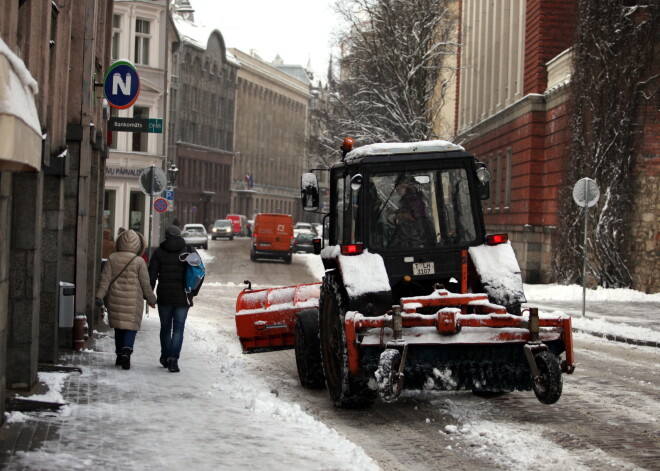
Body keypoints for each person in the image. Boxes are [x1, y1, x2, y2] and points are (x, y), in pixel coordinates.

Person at [95, 229, 156, 370]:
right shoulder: (139, 261)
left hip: (115, 299)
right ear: (138, 245)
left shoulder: (112, 258)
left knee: (119, 328)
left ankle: (118, 355)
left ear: (120, 242)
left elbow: (105, 279)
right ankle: (126, 352)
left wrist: (99, 296)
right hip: (134, 302)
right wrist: (152, 299)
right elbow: (145, 284)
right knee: (130, 327)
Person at [148, 225, 203, 373]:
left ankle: (165, 356)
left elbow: (151, 276)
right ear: (179, 235)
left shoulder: (159, 252)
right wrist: (193, 292)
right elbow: (200, 273)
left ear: (165, 236)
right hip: (183, 296)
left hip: (164, 295)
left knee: (165, 328)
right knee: (178, 329)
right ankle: (174, 359)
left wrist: (149, 297)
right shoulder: (189, 251)